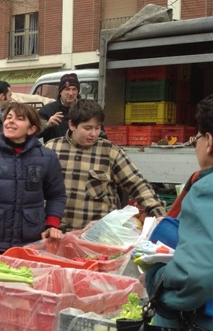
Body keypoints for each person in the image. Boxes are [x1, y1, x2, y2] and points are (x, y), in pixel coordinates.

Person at [0, 102, 66, 255]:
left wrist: (52, 225)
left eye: (19, 118)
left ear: (32, 129)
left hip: (30, 243)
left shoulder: (46, 158)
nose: (11, 121)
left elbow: (57, 195)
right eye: (8, 117)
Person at [144, 94, 213, 331]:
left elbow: (196, 275)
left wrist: (159, 283)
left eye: (197, 137)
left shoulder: (207, 189)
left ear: (209, 141)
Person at [45, 99, 165, 232]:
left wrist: (157, 212)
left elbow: (137, 184)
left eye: (97, 128)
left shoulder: (109, 151)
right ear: (72, 125)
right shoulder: (52, 149)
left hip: (98, 235)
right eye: (88, 128)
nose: (93, 134)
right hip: (57, 234)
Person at [38, 72, 79, 142]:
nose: (71, 93)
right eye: (67, 89)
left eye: (74, 89)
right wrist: (47, 125)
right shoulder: (47, 110)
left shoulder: (87, 109)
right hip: (54, 152)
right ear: (60, 91)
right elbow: (33, 133)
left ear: (78, 91)